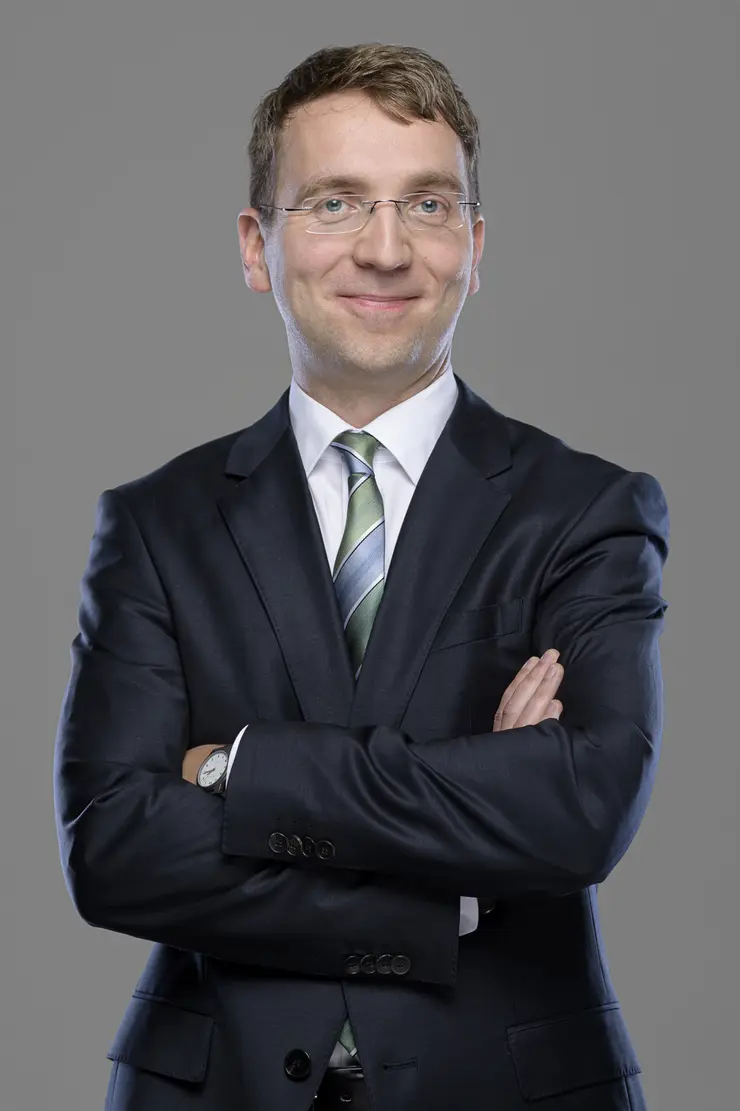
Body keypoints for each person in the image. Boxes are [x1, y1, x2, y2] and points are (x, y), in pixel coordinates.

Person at [53, 42, 669, 1111]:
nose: (385, 250)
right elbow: (113, 849)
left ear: (473, 247)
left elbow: (580, 808)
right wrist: (443, 886)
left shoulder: (587, 509)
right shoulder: (156, 524)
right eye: (335, 203)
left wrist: (233, 769)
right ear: (259, 247)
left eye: (427, 205)